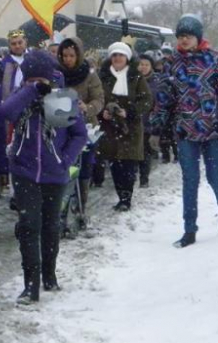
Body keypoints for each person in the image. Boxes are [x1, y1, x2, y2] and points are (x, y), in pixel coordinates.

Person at [0, 51, 87, 304]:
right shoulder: (21, 98)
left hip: (54, 173)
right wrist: (30, 90)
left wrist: (65, 159)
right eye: (31, 79)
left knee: (50, 226)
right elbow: (6, 111)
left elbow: (79, 134)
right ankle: (30, 284)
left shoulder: (60, 99)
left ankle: (49, 273)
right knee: (29, 227)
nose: (37, 84)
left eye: (41, 79)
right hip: (24, 171)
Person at [149, 15, 218, 248]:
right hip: (186, 131)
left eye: (188, 35)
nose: (184, 39)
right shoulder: (173, 63)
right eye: (180, 36)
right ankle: (189, 229)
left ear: (198, 36)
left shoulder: (216, 60)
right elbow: (163, 99)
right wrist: (156, 129)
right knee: (190, 180)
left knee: (214, 176)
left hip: (215, 132)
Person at [97, 42, 152, 212]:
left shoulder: (136, 77)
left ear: (127, 58)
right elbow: (97, 97)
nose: (117, 58)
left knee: (128, 165)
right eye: (114, 55)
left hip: (131, 128)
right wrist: (102, 113)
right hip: (110, 128)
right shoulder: (103, 76)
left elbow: (147, 100)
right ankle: (120, 194)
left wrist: (129, 112)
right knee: (115, 164)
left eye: (121, 55)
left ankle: (126, 198)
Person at [57, 37, 104, 228]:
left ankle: (81, 208)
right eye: (64, 55)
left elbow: (99, 99)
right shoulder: (56, 74)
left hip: (85, 128)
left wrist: (87, 107)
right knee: (66, 170)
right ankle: (61, 210)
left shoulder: (90, 75)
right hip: (61, 127)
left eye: (71, 55)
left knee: (83, 170)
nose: (68, 59)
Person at [0, 29, 28, 199]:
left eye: (20, 42)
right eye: (14, 43)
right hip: (8, 107)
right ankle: (0, 180)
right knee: (2, 144)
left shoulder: (31, 60)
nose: (17, 46)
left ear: (25, 42)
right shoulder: (4, 64)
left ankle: (21, 182)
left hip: (27, 107)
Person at [136, 52, 159, 187]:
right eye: (141, 64)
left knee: (145, 152)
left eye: (146, 65)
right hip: (133, 121)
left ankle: (144, 178)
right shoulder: (132, 79)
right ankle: (131, 176)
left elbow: (158, 102)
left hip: (147, 122)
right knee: (133, 152)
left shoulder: (156, 82)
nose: (143, 67)